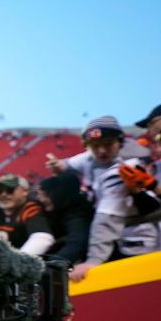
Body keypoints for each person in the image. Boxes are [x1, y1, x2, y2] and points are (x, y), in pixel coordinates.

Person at [46, 116, 156, 281]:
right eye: (96, 146)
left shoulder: (126, 167)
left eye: (108, 144)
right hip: (115, 237)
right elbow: (71, 163)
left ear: (120, 141)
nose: (102, 151)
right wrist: (59, 165)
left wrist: (94, 260)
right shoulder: (91, 157)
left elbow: (107, 217)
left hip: (139, 241)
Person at [36, 171, 93, 268]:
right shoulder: (56, 210)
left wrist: (47, 266)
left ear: (59, 194)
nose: (41, 199)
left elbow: (76, 245)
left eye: (46, 195)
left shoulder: (78, 215)